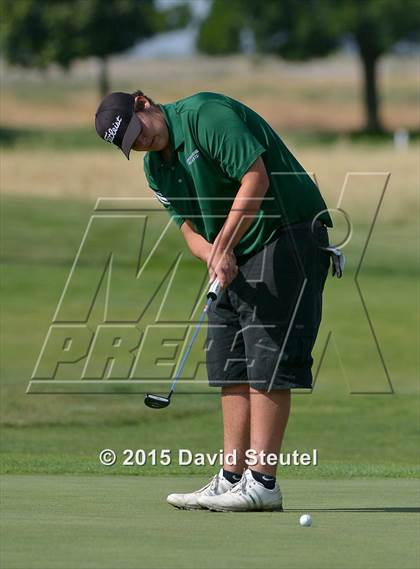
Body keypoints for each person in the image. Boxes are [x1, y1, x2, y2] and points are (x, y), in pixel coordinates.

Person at [95, 90, 333, 512]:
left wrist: (223, 245)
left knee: (269, 357)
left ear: (143, 103)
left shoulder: (205, 116)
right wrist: (213, 254)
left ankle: (263, 483)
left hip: (288, 231)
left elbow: (255, 178)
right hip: (239, 250)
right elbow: (188, 228)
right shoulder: (156, 170)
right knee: (230, 360)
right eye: (129, 144)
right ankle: (231, 478)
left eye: (138, 131)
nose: (141, 143)